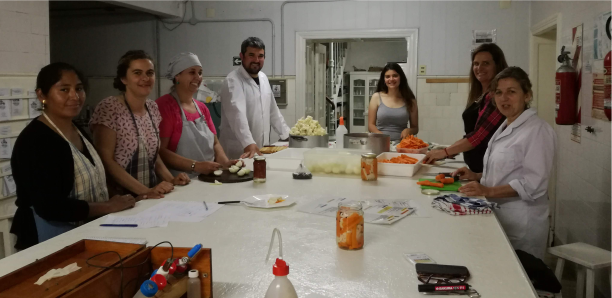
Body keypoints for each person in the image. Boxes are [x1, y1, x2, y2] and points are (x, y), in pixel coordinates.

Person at [10, 63, 137, 250]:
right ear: (41, 95)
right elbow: (50, 206)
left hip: (85, 235)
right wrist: (108, 207)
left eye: (78, 89)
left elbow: (94, 177)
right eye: (64, 89)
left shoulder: (77, 129)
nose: (74, 96)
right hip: (47, 243)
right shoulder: (35, 141)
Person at [452, 67, 556, 259]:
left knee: (520, 281)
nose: (504, 98)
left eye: (512, 92)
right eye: (499, 92)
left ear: (527, 95)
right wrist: (476, 176)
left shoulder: (537, 131)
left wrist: (488, 191)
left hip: (522, 224)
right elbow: (507, 170)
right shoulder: (505, 126)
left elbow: (534, 185)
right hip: (501, 217)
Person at [90, 50, 190, 199]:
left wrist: (171, 180)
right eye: (137, 73)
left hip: (147, 197)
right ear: (124, 78)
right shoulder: (109, 108)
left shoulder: (152, 108)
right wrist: (145, 191)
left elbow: (153, 156)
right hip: (119, 198)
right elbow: (106, 161)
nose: (145, 78)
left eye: (149, 73)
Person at [423, 44, 508, 173]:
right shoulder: (481, 95)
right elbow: (471, 133)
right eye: (476, 64)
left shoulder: (496, 97)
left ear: (497, 65)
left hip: (490, 170)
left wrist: (445, 152)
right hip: (477, 170)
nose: (479, 68)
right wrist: (450, 150)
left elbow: (478, 136)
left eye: (486, 63)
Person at [157, 52, 236, 177]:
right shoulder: (164, 106)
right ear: (177, 76)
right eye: (192, 72)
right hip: (179, 183)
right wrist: (196, 166)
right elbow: (160, 152)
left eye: (200, 72)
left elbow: (215, 143)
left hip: (208, 179)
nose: (198, 77)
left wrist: (225, 163)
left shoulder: (202, 108)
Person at [219, 37, 291, 159]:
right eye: (251, 55)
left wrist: (287, 135)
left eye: (260, 56)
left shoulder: (263, 78)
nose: (256, 60)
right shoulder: (233, 81)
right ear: (242, 56)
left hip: (261, 149)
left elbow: (273, 111)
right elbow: (238, 116)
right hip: (238, 151)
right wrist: (248, 143)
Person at [367, 63, 418, 141]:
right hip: (380, 142)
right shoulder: (376, 97)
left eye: (395, 76)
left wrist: (409, 130)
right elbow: (371, 125)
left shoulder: (410, 100)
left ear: (401, 77)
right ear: (384, 79)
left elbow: (415, 128)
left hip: (402, 144)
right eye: (387, 76)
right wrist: (382, 136)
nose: (391, 79)